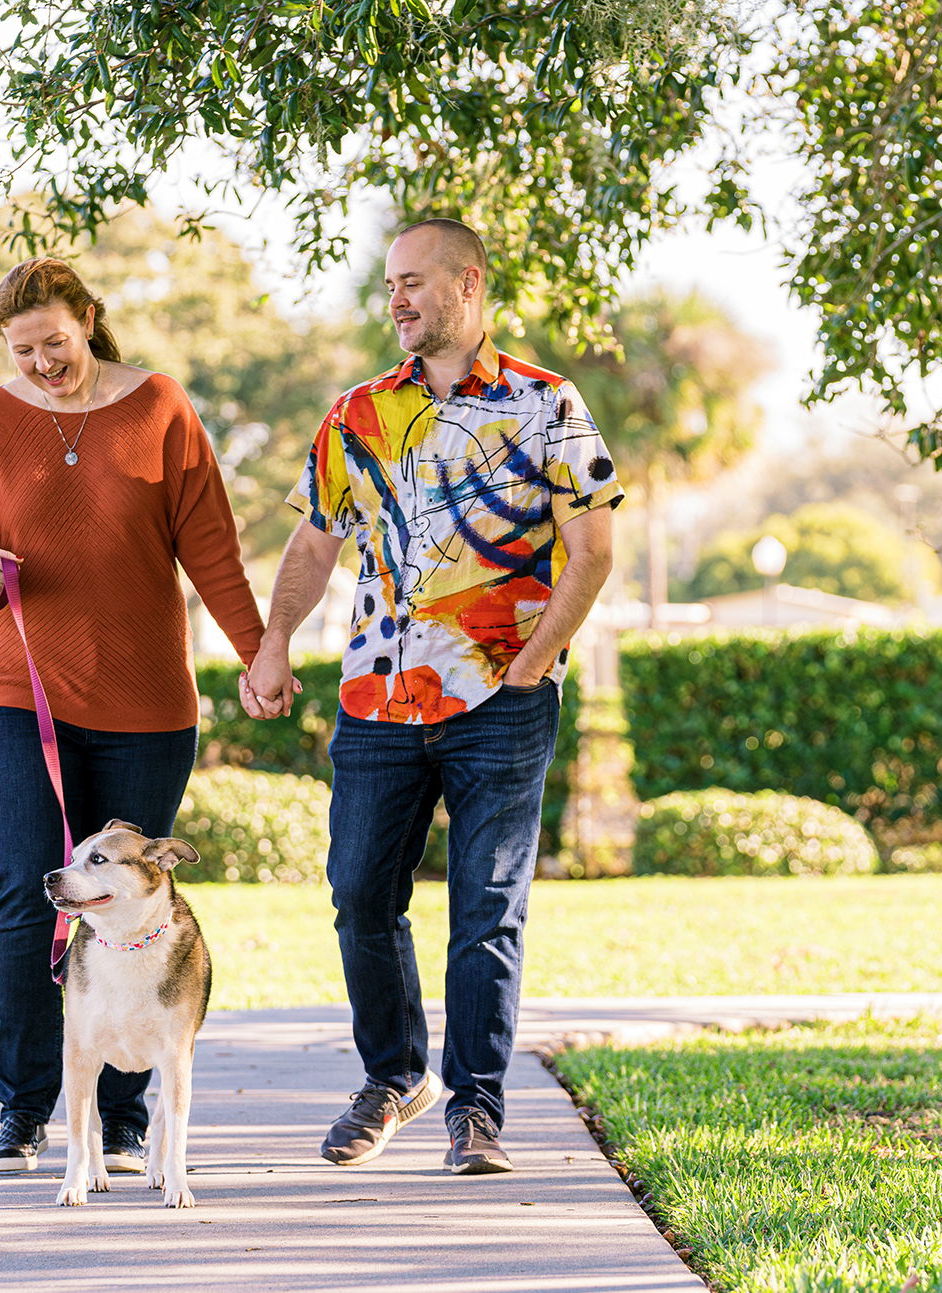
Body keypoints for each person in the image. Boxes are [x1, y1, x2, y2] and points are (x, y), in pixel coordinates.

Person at [242, 218, 621, 1174]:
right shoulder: (357, 413)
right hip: (375, 698)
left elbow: (594, 550)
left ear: (469, 283)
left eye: (415, 281)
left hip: (502, 700)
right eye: (390, 285)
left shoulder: (548, 405)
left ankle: (478, 1108)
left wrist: (533, 663)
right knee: (360, 892)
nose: (399, 300)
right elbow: (316, 541)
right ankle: (393, 1075)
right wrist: (275, 638)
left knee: (487, 903)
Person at [0, 257, 265, 1175]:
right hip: (20, 696)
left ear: (89, 318)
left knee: (120, 900)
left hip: (148, 705)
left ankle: (119, 1117)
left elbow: (211, 546)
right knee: (27, 894)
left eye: (54, 343)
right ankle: (25, 1108)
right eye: (22, 350)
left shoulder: (159, 407)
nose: (40, 363)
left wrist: (255, 649)